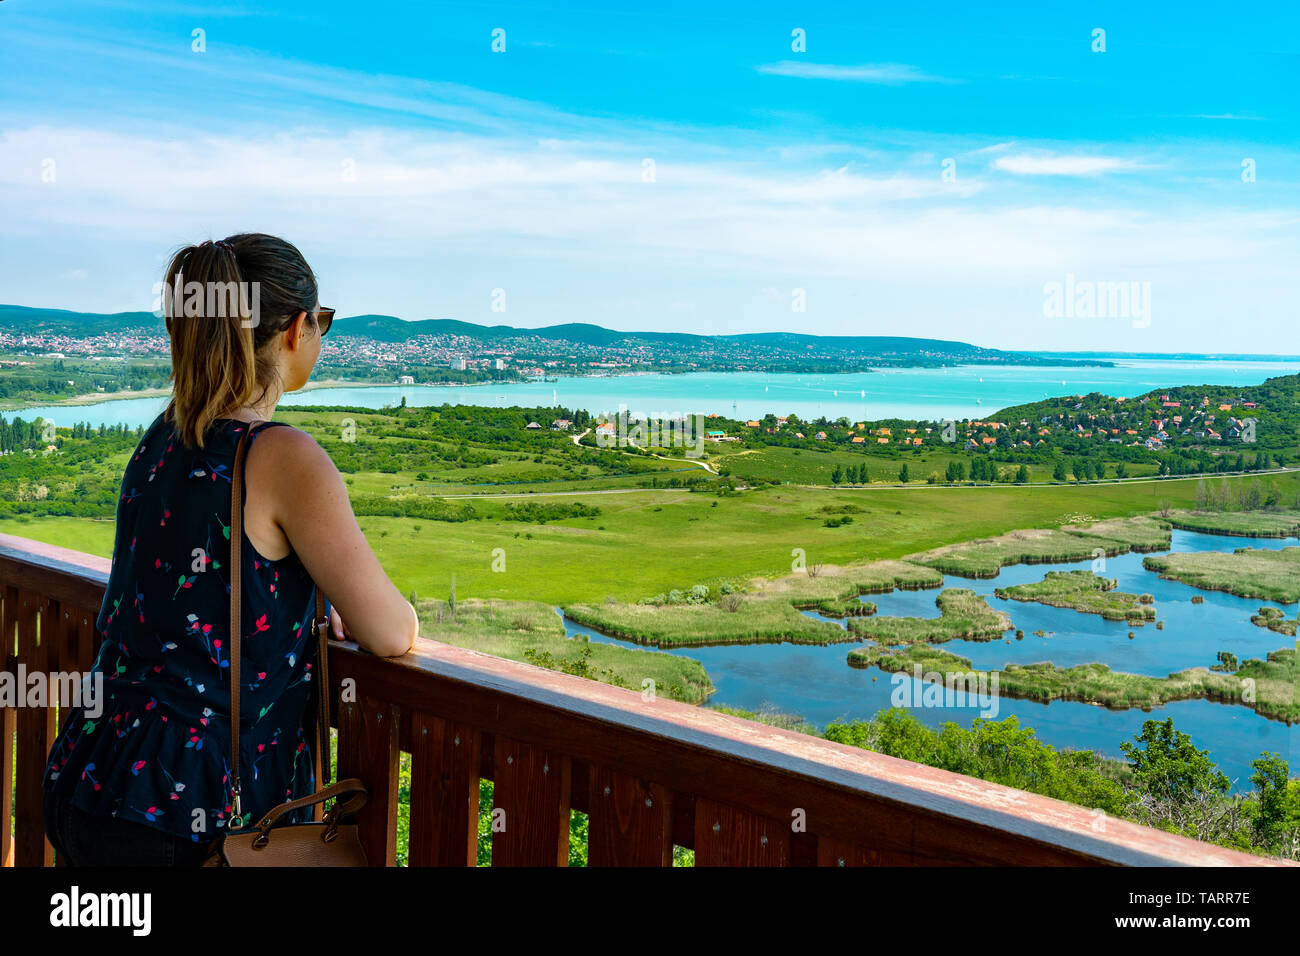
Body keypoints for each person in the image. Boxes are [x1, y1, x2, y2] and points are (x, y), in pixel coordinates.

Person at [41, 233, 418, 866]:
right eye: (322, 322)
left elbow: (197, 590)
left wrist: (295, 610)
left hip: (92, 770)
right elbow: (390, 632)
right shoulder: (285, 457)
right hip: (195, 819)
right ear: (297, 329)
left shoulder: (164, 435)